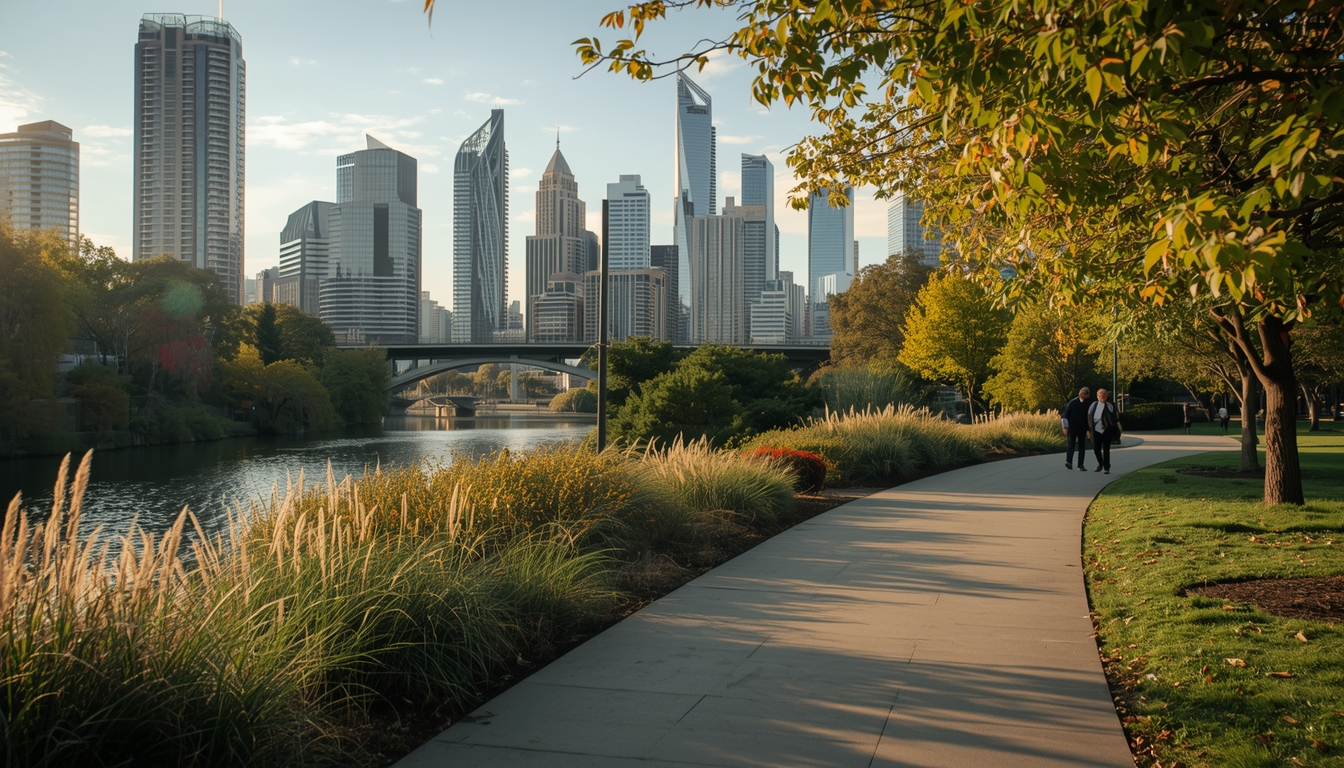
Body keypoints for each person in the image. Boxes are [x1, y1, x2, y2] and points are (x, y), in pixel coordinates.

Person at [1089, 389, 1120, 474]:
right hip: (1095, 430)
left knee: (1106, 449)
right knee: (1096, 449)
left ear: (1106, 396)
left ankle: (1106, 467)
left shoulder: (1110, 405)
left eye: (1104, 394)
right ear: (1097, 396)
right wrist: (1089, 430)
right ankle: (1101, 463)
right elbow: (1089, 417)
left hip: (1107, 430)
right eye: (1100, 394)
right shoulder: (1093, 405)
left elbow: (1115, 417)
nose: (1102, 396)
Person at [1062, 387, 1091, 471]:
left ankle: (1080, 465)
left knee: (1082, 446)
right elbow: (1064, 415)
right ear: (1080, 393)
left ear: (1088, 395)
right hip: (1072, 427)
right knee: (1071, 445)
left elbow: (1089, 418)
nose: (1084, 394)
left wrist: (1089, 430)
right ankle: (1069, 462)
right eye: (1083, 392)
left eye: (1086, 393)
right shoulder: (1072, 403)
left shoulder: (1088, 405)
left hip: (1083, 428)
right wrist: (1065, 427)